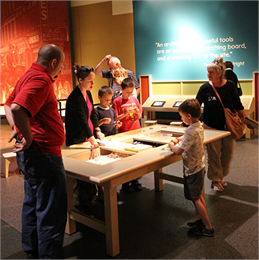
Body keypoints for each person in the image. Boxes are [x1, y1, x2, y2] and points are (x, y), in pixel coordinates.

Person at [4, 44, 67, 258]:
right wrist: (27, 136)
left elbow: (8, 103)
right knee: (51, 209)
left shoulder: (28, 75)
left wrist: (17, 128)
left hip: (34, 155)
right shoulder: (41, 80)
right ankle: (48, 255)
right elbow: (16, 108)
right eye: (62, 65)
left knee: (32, 203)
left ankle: (32, 250)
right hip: (44, 154)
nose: (61, 70)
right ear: (54, 63)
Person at [196, 57, 247, 191]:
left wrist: (245, 118)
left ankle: (221, 175)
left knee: (227, 153)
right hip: (211, 127)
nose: (208, 75)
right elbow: (196, 105)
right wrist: (193, 120)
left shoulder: (230, 85)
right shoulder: (205, 88)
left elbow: (237, 103)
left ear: (219, 72)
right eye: (207, 72)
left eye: (211, 72)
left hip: (228, 127)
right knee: (214, 154)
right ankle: (216, 180)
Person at [168, 99, 214, 237]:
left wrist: (171, 144)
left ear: (188, 116)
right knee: (199, 195)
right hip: (199, 166)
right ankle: (203, 221)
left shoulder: (190, 131)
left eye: (181, 116)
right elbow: (188, 136)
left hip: (192, 170)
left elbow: (178, 151)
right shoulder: (198, 126)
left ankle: (208, 226)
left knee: (195, 198)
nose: (181, 118)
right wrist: (180, 138)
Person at [65, 65, 105, 211]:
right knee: (81, 174)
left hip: (88, 136)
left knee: (92, 168)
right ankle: (84, 203)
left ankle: (95, 196)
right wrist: (92, 140)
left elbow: (92, 113)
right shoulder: (74, 98)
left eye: (93, 80)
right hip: (78, 138)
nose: (93, 84)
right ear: (80, 80)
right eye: (90, 81)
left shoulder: (87, 93)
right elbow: (82, 120)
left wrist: (97, 129)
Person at [112, 77, 142, 192]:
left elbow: (139, 115)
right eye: (127, 92)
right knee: (126, 158)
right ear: (122, 89)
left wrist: (138, 113)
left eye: (131, 92)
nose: (129, 94)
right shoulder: (117, 101)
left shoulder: (134, 99)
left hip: (136, 131)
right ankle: (125, 183)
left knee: (136, 158)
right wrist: (125, 114)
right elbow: (115, 118)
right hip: (124, 133)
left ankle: (135, 180)